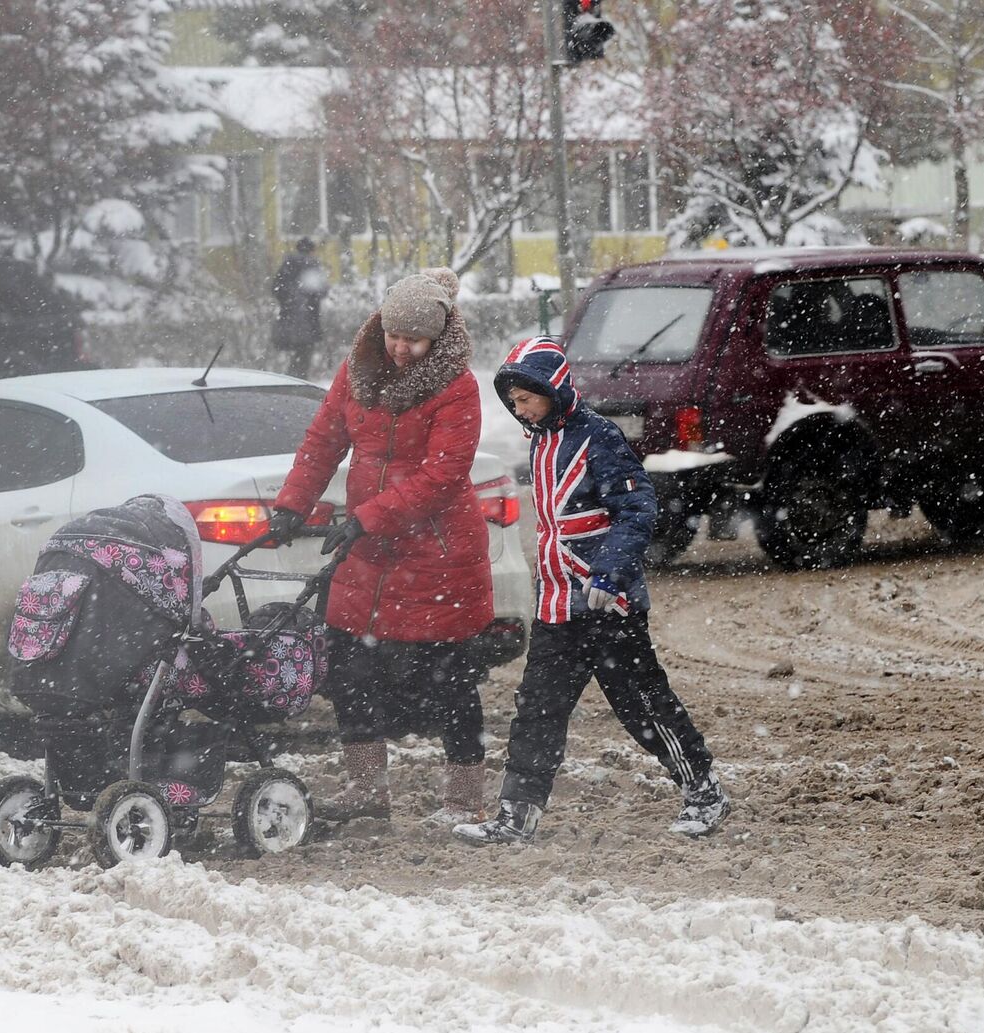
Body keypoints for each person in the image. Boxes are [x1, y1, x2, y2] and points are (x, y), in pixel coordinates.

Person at [455, 336, 729, 846]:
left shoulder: (599, 437)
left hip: (608, 606)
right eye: (513, 402)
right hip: (557, 607)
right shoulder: (539, 442)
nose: (520, 409)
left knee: (643, 705)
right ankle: (517, 813)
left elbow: (637, 508)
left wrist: (610, 573)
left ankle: (703, 789)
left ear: (554, 390)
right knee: (538, 708)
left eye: (526, 399)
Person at [266, 267, 494, 824]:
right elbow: (323, 440)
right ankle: (366, 791)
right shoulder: (357, 373)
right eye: (395, 335)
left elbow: (443, 477)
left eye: (415, 340)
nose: (401, 349)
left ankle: (464, 799)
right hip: (368, 547)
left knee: (450, 680)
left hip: (438, 553)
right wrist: (293, 503)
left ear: (437, 338)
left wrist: (369, 516)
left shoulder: (456, 387)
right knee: (350, 668)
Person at [271, 237, 330, 379]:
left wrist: (288, 301)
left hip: (288, 319)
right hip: (308, 320)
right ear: (311, 250)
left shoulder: (287, 264)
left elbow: (276, 289)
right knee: (304, 356)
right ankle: (300, 385)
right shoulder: (311, 264)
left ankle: (289, 381)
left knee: (293, 358)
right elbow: (321, 291)